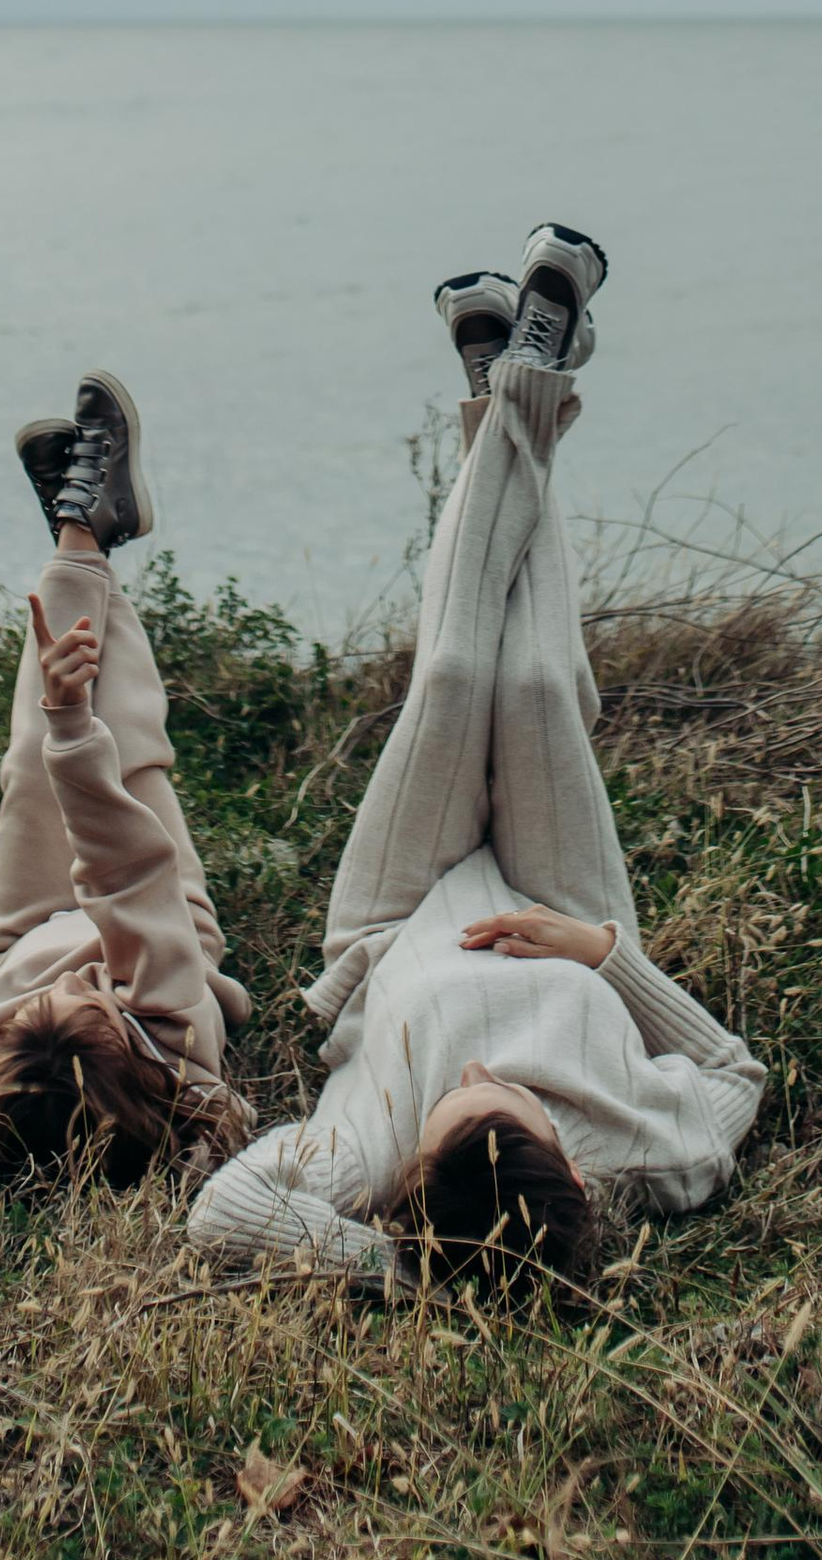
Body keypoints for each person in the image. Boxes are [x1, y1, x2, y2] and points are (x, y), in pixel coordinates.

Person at [186, 224, 763, 1291]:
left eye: (457, 1095)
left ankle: (513, 388)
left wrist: (415, 1271)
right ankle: (521, 380)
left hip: (396, 915)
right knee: (537, 682)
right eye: (512, 1097)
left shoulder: (364, 1158)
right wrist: (603, 957)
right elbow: (735, 1072)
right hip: (567, 902)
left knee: (455, 671)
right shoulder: (649, 1155)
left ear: (413, 1167)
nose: (483, 1066)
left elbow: (224, 1212)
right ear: (576, 1174)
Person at [0, 373, 252, 1189]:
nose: (66, 987)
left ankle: (88, 529)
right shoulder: (166, 1020)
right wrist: (73, 727)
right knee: (119, 740)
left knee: (27, 757)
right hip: (161, 915)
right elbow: (121, 867)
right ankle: (80, 529)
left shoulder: (10, 1067)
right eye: (87, 999)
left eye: (40, 1013)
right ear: (130, 1046)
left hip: (22, 934)